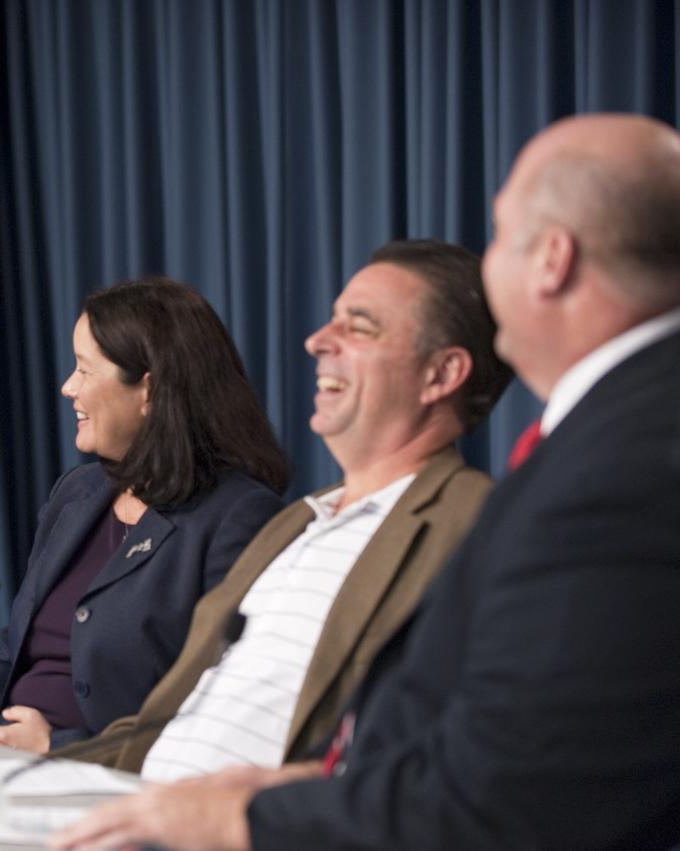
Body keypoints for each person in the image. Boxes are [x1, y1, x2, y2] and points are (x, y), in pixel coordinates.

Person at [53, 114, 680, 851]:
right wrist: (29, 764)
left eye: (503, 235)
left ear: (552, 260)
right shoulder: (296, 521)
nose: (318, 341)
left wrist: (252, 816)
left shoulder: (592, 471)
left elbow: (513, 785)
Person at [69, 240, 510, 783]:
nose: (317, 340)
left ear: (441, 375)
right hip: (125, 804)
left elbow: (446, 758)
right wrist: (12, 769)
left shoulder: (479, 523)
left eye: (360, 327)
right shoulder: (295, 523)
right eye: (331, 321)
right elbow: (160, 721)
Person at [0, 277, 290, 751]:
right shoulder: (77, 493)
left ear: (149, 390)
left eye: (84, 370)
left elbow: (217, 712)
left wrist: (58, 748)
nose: (67, 387)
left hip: (111, 785)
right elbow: (11, 650)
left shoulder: (239, 516)